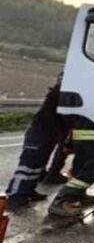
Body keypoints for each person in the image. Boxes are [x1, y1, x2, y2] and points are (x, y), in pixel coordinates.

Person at [5, 78, 66, 206]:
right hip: (40, 132)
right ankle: (14, 195)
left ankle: (28, 191)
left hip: (49, 133)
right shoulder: (59, 94)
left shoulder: (62, 93)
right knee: (28, 166)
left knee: (38, 165)